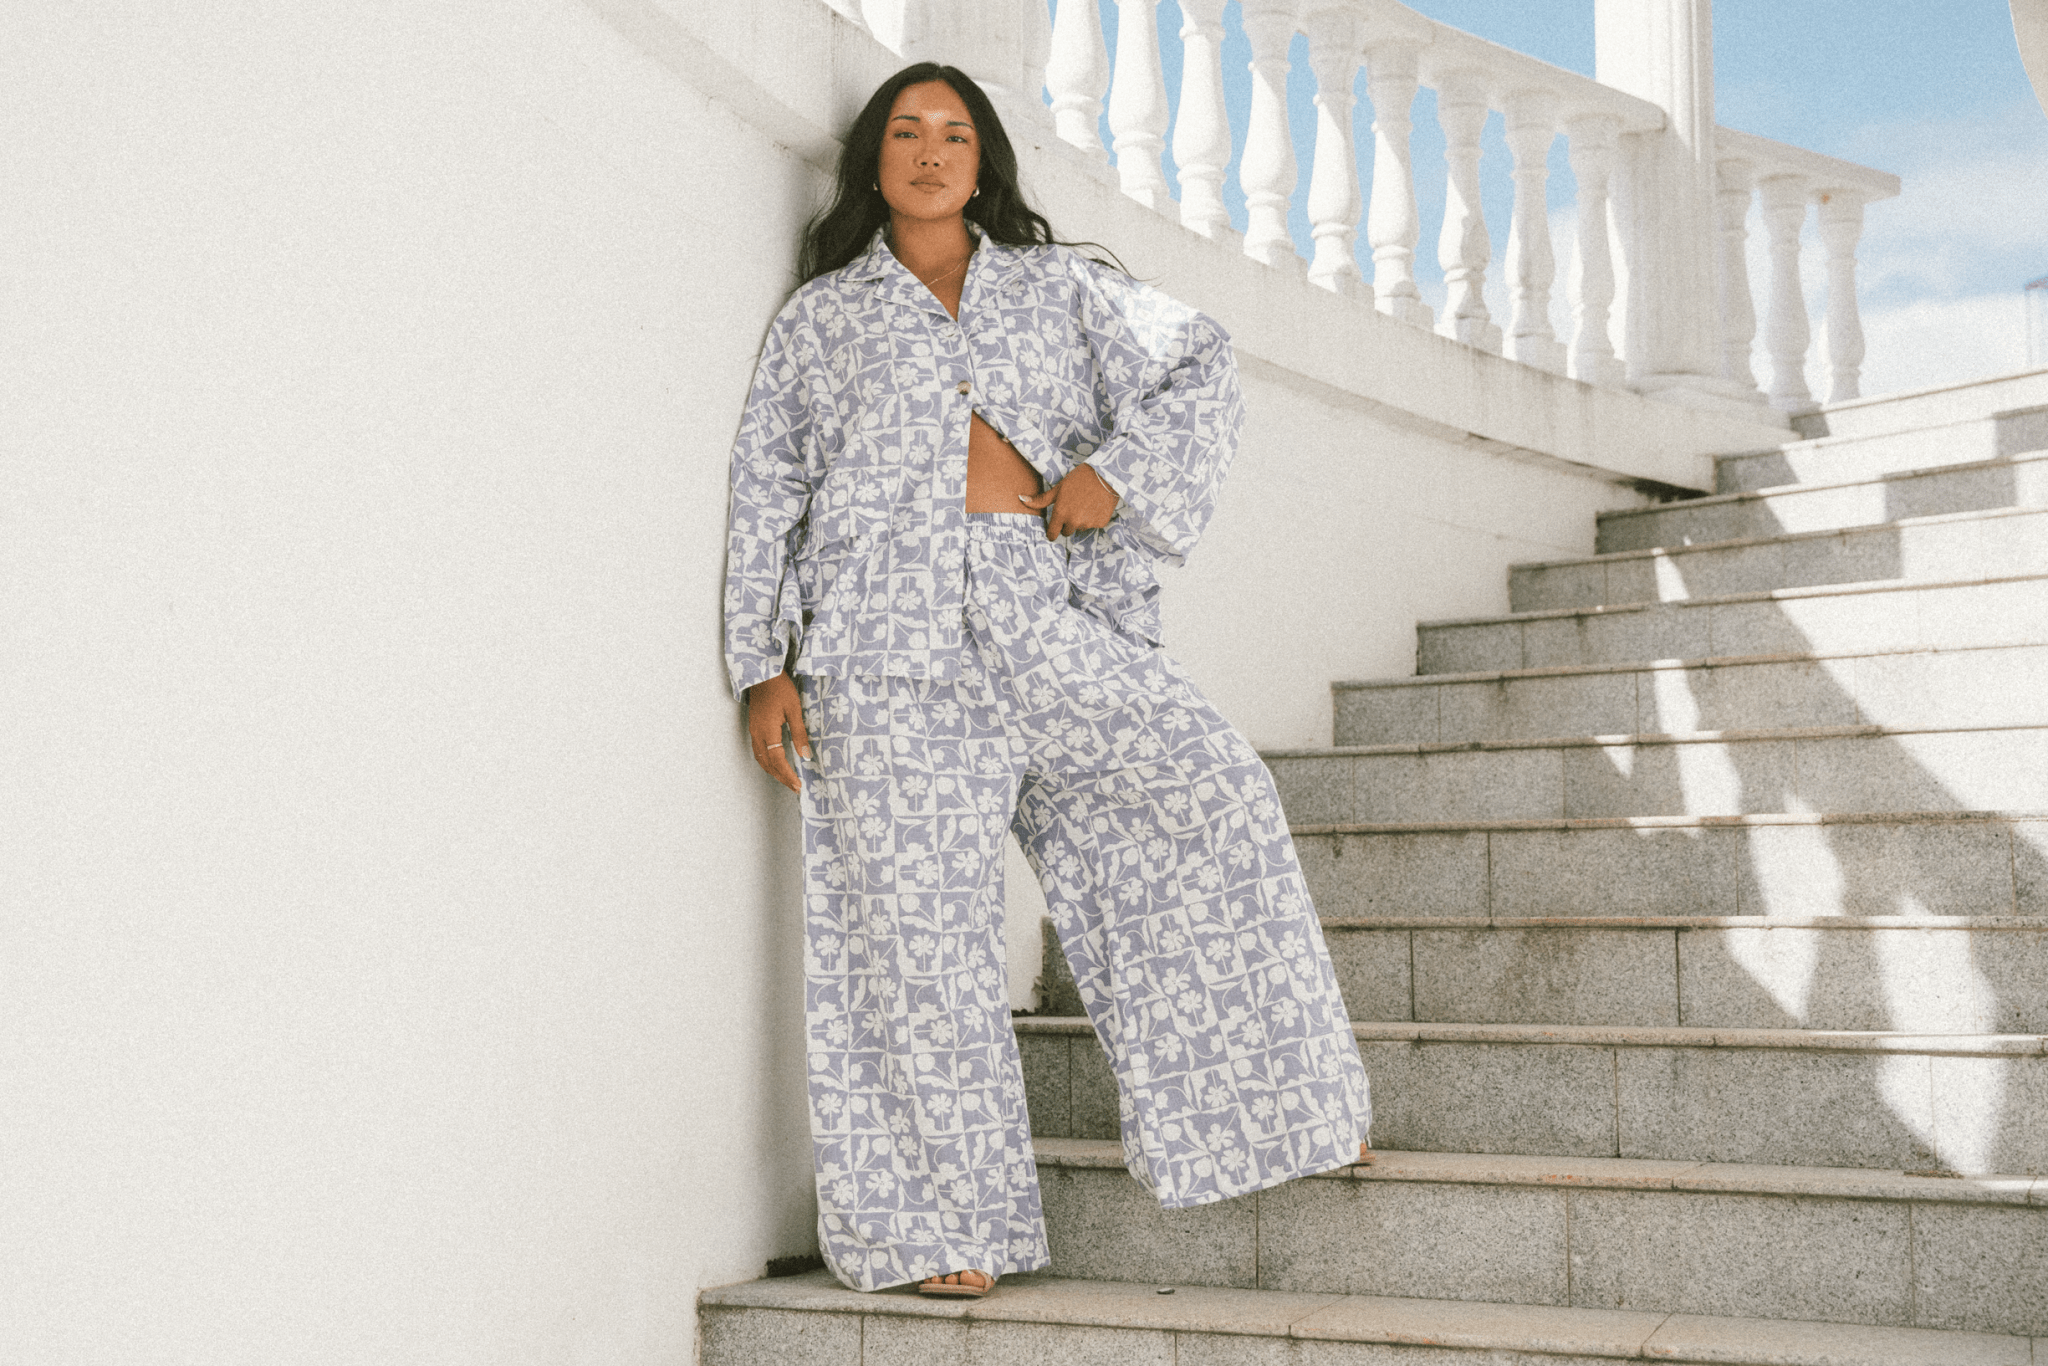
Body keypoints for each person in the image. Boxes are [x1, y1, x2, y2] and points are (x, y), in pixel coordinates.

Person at [723, 62, 1371, 1299]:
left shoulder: (1059, 288)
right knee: (913, 941)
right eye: (904, 132)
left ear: (984, 159)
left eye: (952, 132)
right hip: (876, 651)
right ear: (870, 161)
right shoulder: (821, 320)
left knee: (1211, 794)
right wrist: (764, 664)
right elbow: (767, 491)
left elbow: (1198, 363)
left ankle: (1282, 1113)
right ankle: (939, 1229)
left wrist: (1110, 477)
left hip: (1043, 613)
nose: (927, 150)